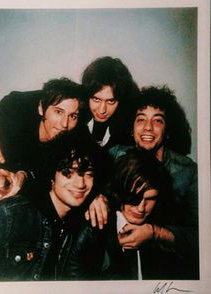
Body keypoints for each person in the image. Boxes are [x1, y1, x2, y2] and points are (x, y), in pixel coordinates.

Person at [0, 78, 108, 228]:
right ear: (41, 109)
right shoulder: (12, 130)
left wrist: (97, 196)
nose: (64, 124)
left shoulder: (77, 134)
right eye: (58, 112)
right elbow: (12, 100)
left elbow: (101, 162)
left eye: (73, 116)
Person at [0, 129, 108, 281]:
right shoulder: (10, 215)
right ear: (52, 175)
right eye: (68, 173)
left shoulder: (76, 224)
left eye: (88, 174)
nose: (80, 183)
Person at [109, 85, 199, 279]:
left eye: (157, 120)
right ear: (131, 128)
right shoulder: (115, 156)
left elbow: (201, 238)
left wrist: (154, 232)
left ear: (168, 130)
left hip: (167, 269)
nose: (148, 127)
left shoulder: (188, 171)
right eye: (140, 119)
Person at [102, 148, 177, 280]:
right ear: (120, 190)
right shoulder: (97, 229)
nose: (141, 208)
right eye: (135, 197)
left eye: (150, 199)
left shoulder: (160, 228)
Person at [81, 56, 140, 149]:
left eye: (111, 101)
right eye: (96, 99)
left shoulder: (128, 129)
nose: (102, 110)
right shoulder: (73, 120)